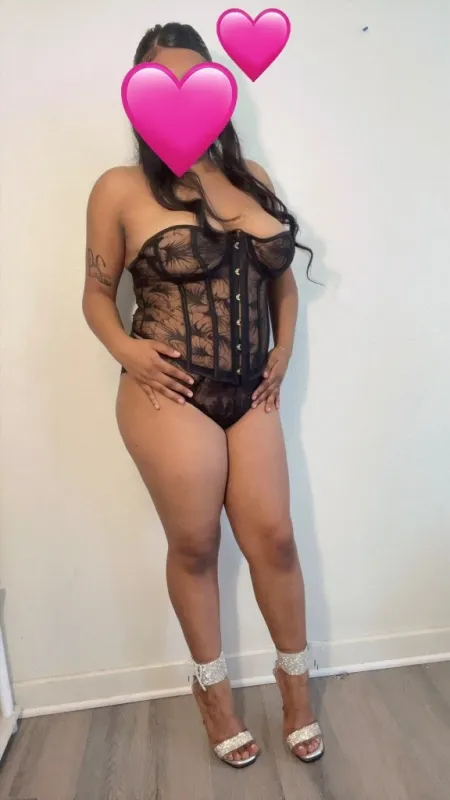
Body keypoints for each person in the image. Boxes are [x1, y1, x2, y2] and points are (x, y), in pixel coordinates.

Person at [82, 21, 324, 769]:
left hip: (252, 390)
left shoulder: (250, 175)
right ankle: (214, 696)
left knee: (274, 539)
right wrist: (128, 349)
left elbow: (281, 280)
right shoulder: (120, 188)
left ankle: (295, 690)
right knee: (195, 544)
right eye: (167, 81)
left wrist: (284, 349)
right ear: (139, 96)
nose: (184, 94)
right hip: (171, 391)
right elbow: (95, 294)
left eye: (198, 79)